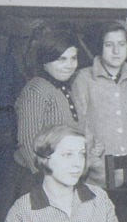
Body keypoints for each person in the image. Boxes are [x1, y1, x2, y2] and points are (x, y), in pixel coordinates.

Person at [0, 124, 125, 222]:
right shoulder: (22, 210)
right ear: (44, 159)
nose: (77, 163)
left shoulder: (99, 198)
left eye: (81, 154)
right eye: (67, 155)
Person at [71, 22, 127, 185]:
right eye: (109, 45)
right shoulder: (84, 79)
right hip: (98, 175)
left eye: (121, 44)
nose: (116, 51)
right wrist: (94, 163)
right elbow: (79, 125)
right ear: (100, 47)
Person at [13, 24, 88, 196]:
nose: (69, 65)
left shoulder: (63, 87)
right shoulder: (36, 89)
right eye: (61, 59)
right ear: (45, 60)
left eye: (73, 58)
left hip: (61, 178)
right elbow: (28, 142)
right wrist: (47, 181)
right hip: (38, 181)